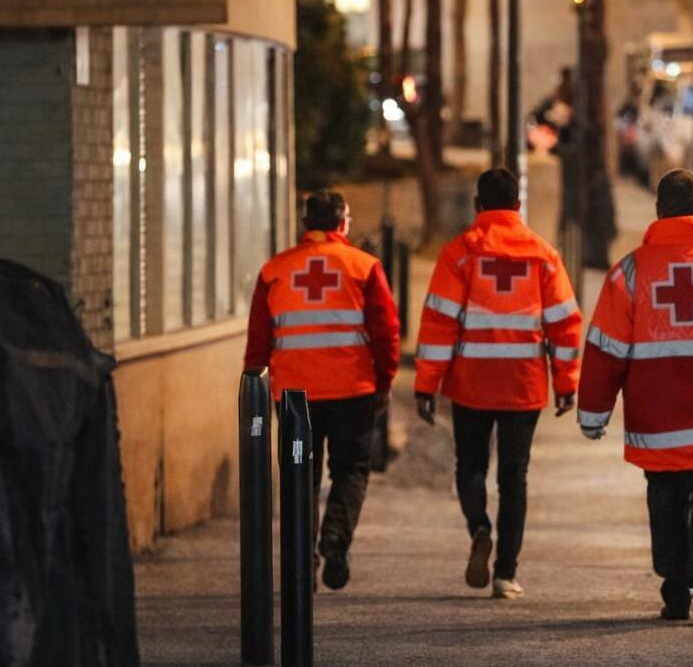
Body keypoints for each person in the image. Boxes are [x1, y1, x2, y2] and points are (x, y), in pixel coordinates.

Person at [577, 169, 693, 623]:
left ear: (659, 212)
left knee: (665, 496)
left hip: (657, 421)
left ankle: (674, 586)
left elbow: (605, 350)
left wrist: (593, 413)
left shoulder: (630, 272)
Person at [414, 168, 583, 599]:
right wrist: (566, 381)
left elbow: (438, 323)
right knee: (515, 477)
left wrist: (426, 385)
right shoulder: (543, 255)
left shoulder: (460, 254)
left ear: (478, 206)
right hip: (522, 382)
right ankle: (506, 573)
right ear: (518, 207)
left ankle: (479, 527)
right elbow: (564, 323)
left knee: (470, 466)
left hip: (471, 381)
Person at [243, 190, 400, 591]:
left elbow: (259, 341)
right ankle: (335, 540)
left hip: (294, 396)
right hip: (352, 391)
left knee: (301, 477)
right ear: (343, 224)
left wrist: (254, 391)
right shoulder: (363, 266)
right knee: (350, 470)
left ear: (304, 225)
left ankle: (302, 561)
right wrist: (384, 382)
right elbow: (386, 332)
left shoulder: (275, 270)